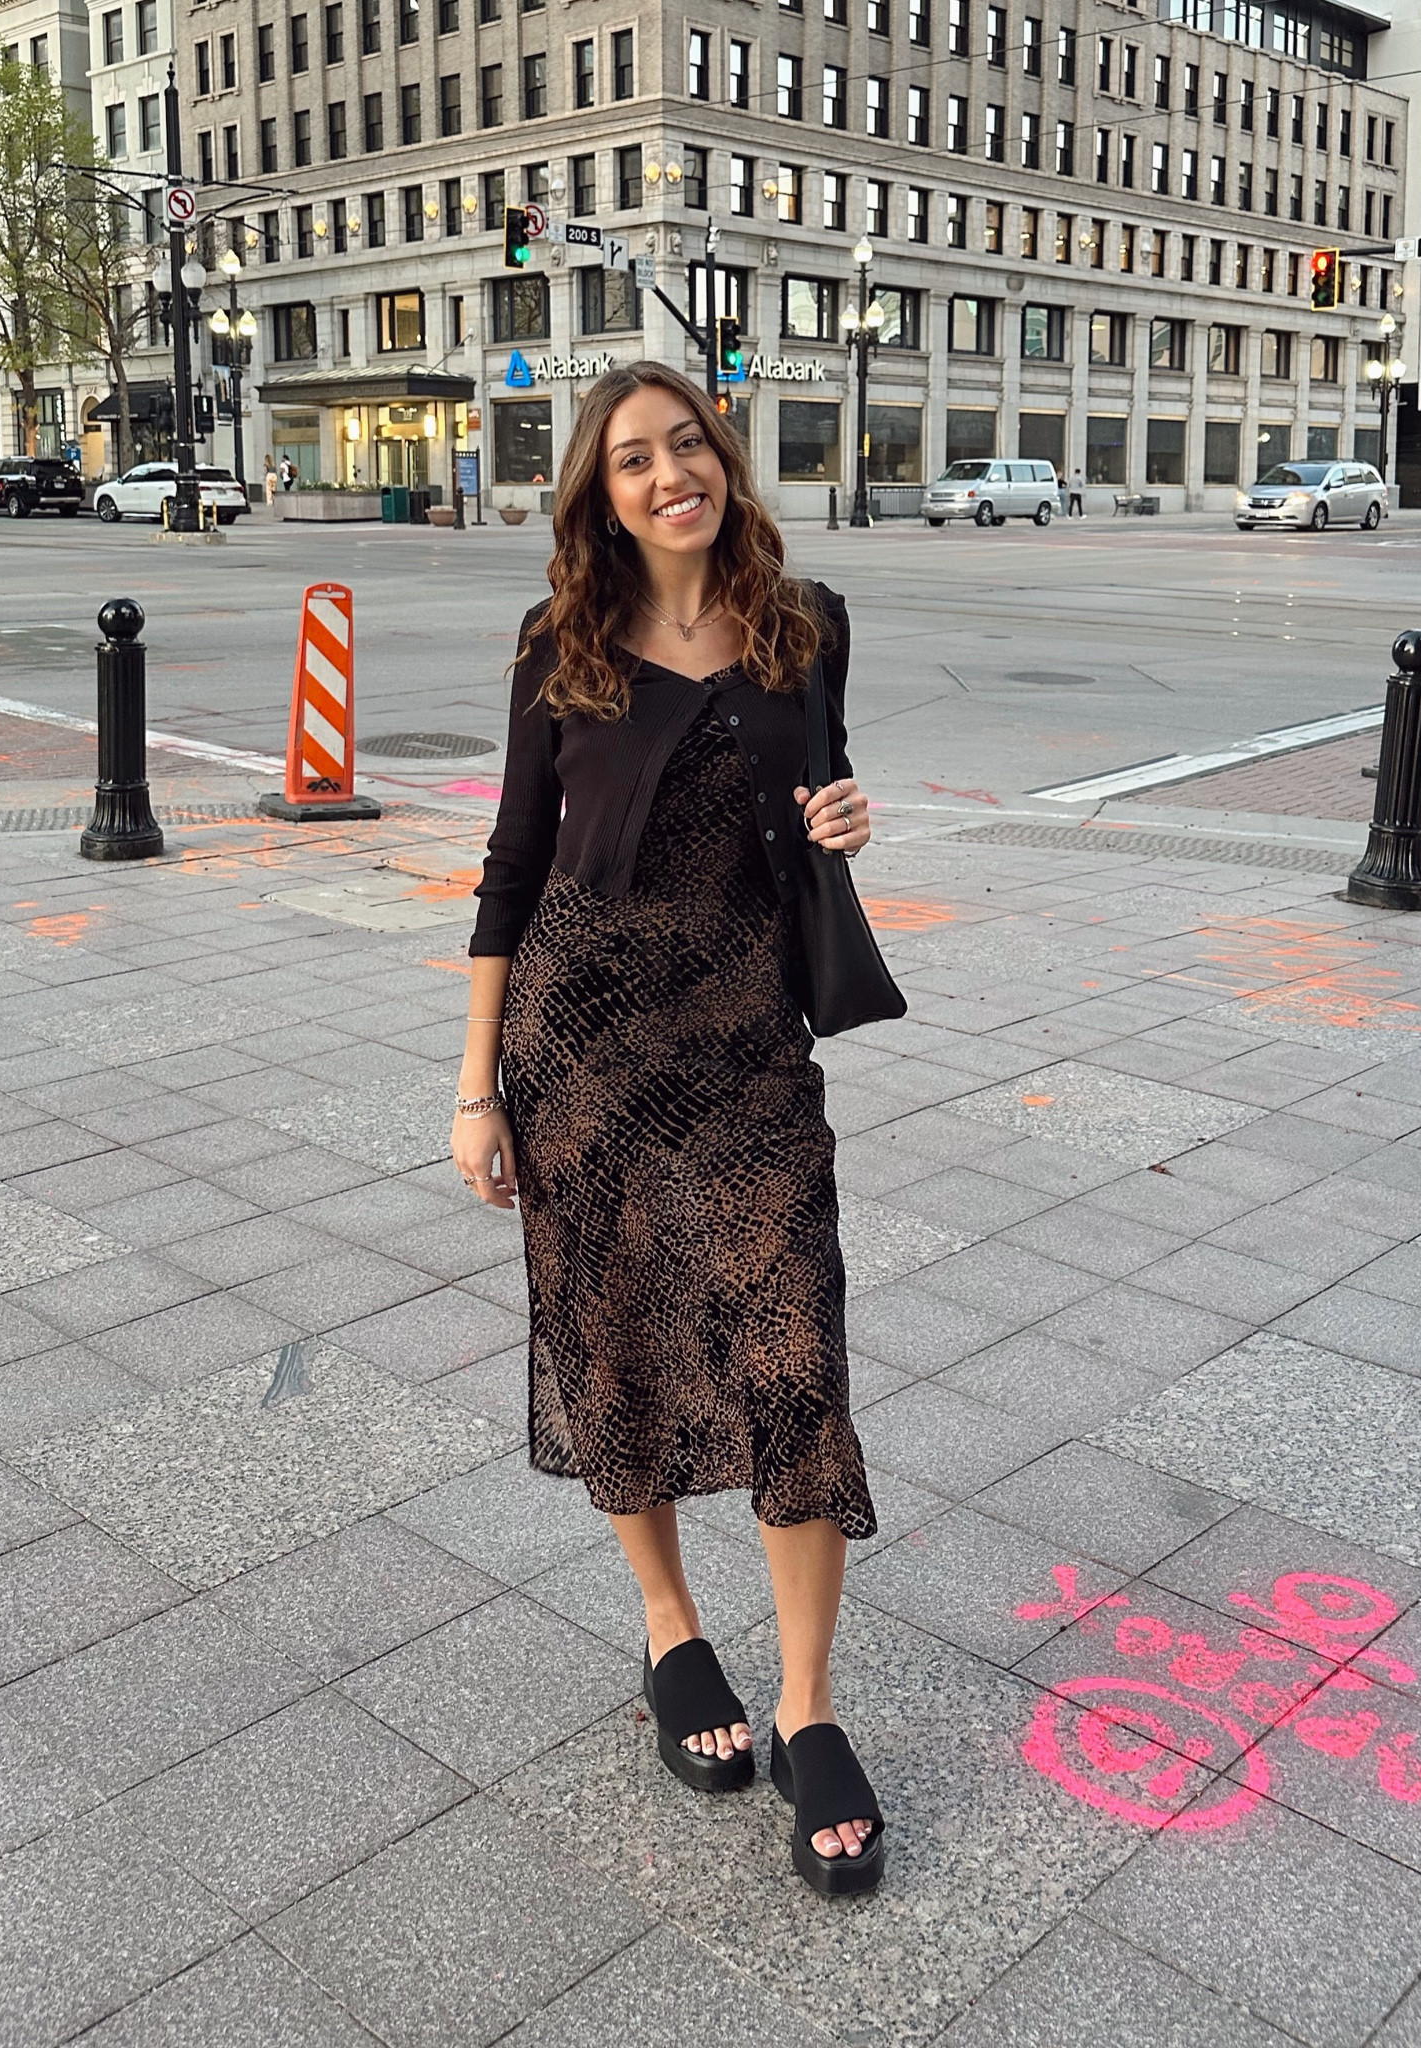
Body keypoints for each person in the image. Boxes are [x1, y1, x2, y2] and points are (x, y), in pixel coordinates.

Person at [454, 360, 886, 1896]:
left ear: (723, 459)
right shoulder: (559, 641)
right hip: (583, 1045)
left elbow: (814, 797)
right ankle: (670, 1631)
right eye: (630, 460)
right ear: (600, 495)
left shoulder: (805, 618)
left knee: (793, 1356)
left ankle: (812, 1706)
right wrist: (475, 1083)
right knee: (617, 1340)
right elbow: (511, 866)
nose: (665, 475)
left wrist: (842, 814)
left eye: (684, 444)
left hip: (750, 1045)